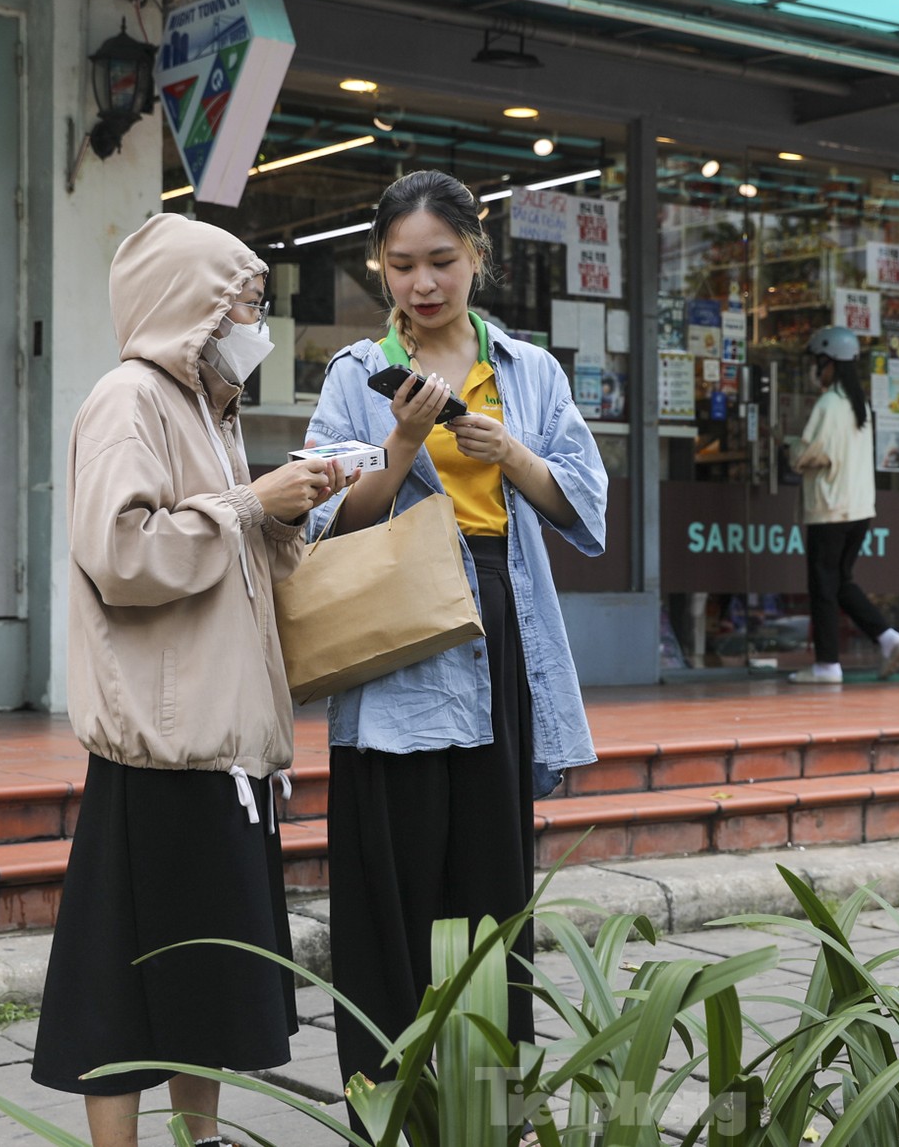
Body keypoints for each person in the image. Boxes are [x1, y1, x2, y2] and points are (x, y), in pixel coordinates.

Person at [33, 213, 354, 1147]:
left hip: (222, 740)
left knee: (206, 969)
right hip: (165, 741)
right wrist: (254, 501)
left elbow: (231, 547)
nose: (254, 324)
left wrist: (288, 505)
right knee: (122, 971)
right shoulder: (127, 399)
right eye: (243, 304)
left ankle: (200, 1138)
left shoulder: (210, 407)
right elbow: (122, 553)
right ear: (192, 305)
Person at [304, 169, 606, 1091]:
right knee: (386, 884)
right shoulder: (356, 375)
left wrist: (508, 451)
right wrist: (399, 450)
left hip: (497, 613)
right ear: (377, 268)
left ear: (479, 256)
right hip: (395, 621)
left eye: (442, 260)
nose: (422, 283)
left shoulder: (529, 371)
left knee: (490, 877)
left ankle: (484, 1098)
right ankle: (385, 1098)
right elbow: (322, 529)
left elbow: (586, 509)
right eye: (401, 266)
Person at [787, 325, 899, 685]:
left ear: (829, 363)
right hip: (858, 509)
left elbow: (812, 452)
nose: (816, 369)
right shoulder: (859, 404)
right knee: (840, 581)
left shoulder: (829, 404)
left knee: (823, 587)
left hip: (831, 508)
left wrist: (789, 448)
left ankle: (827, 665)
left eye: (818, 361)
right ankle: (890, 640)